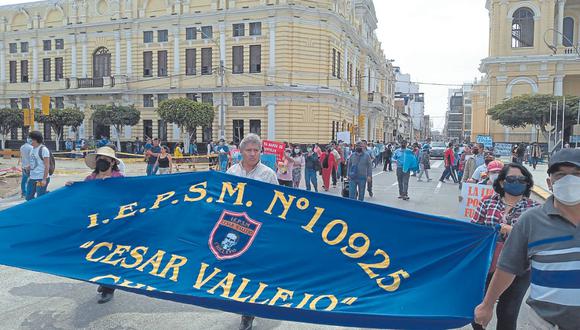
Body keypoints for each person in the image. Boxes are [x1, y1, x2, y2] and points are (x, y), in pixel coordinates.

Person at [474, 149, 580, 330]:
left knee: (509, 312)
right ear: (549, 182)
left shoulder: (530, 206)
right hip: (545, 323)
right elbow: (507, 267)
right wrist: (487, 304)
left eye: (577, 174)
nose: (569, 181)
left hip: (522, 276)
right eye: (561, 174)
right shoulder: (531, 220)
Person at [471, 163, 539, 330]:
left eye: (522, 179)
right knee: (478, 313)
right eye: (512, 179)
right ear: (502, 182)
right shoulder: (487, 202)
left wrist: (511, 231)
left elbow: (537, 240)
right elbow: (474, 230)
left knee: (508, 314)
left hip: (519, 269)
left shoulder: (535, 208)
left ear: (527, 183)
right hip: (486, 265)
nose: (517, 182)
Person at [226, 134, 277, 330]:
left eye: (257, 150)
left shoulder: (268, 174)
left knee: (252, 270)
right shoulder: (231, 172)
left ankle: (248, 313)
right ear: (241, 151)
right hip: (234, 228)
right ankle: (242, 305)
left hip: (258, 229)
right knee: (236, 269)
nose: (253, 153)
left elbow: (277, 202)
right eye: (249, 150)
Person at [67, 146, 123, 303]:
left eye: (105, 159)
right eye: (99, 159)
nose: (101, 162)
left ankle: (109, 287)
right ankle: (102, 280)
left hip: (112, 223)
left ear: (112, 162)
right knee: (94, 253)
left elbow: (126, 198)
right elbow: (82, 196)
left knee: (109, 253)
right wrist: (72, 188)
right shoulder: (90, 179)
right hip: (93, 224)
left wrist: (112, 186)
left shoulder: (119, 178)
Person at [25, 131, 51, 201]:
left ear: (35, 139)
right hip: (32, 177)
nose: (28, 140)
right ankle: (46, 194)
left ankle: (46, 198)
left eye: (30, 138)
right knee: (28, 197)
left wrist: (44, 179)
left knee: (40, 198)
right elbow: (35, 162)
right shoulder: (32, 149)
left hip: (41, 178)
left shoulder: (43, 149)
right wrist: (29, 167)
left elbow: (47, 165)